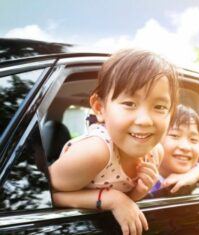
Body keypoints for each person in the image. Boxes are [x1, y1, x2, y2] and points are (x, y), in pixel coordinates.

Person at [49, 48, 179, 235]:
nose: (144, 120)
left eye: (159, 107)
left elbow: (128, 202)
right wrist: (112, 200)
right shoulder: (95, 152)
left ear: (170, 113)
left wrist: (137, 193)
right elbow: (48, 195)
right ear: (99, 108)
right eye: (129, 104)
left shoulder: (155, 153)